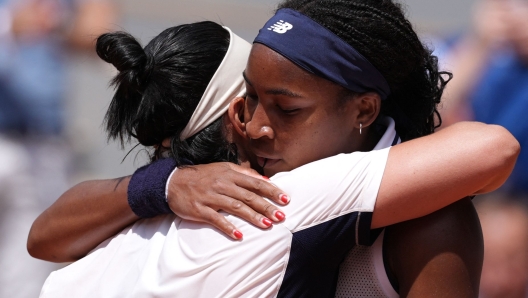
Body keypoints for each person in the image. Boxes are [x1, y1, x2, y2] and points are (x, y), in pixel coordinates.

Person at [32, 1, 519, 297]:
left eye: (286, 109)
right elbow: (44, 236)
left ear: (365, 111)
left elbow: (493, 146)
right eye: (250, 103)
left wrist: (164, 182)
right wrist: (168, 183)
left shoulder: (421, 218)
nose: (259, 128)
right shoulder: (262, 199)